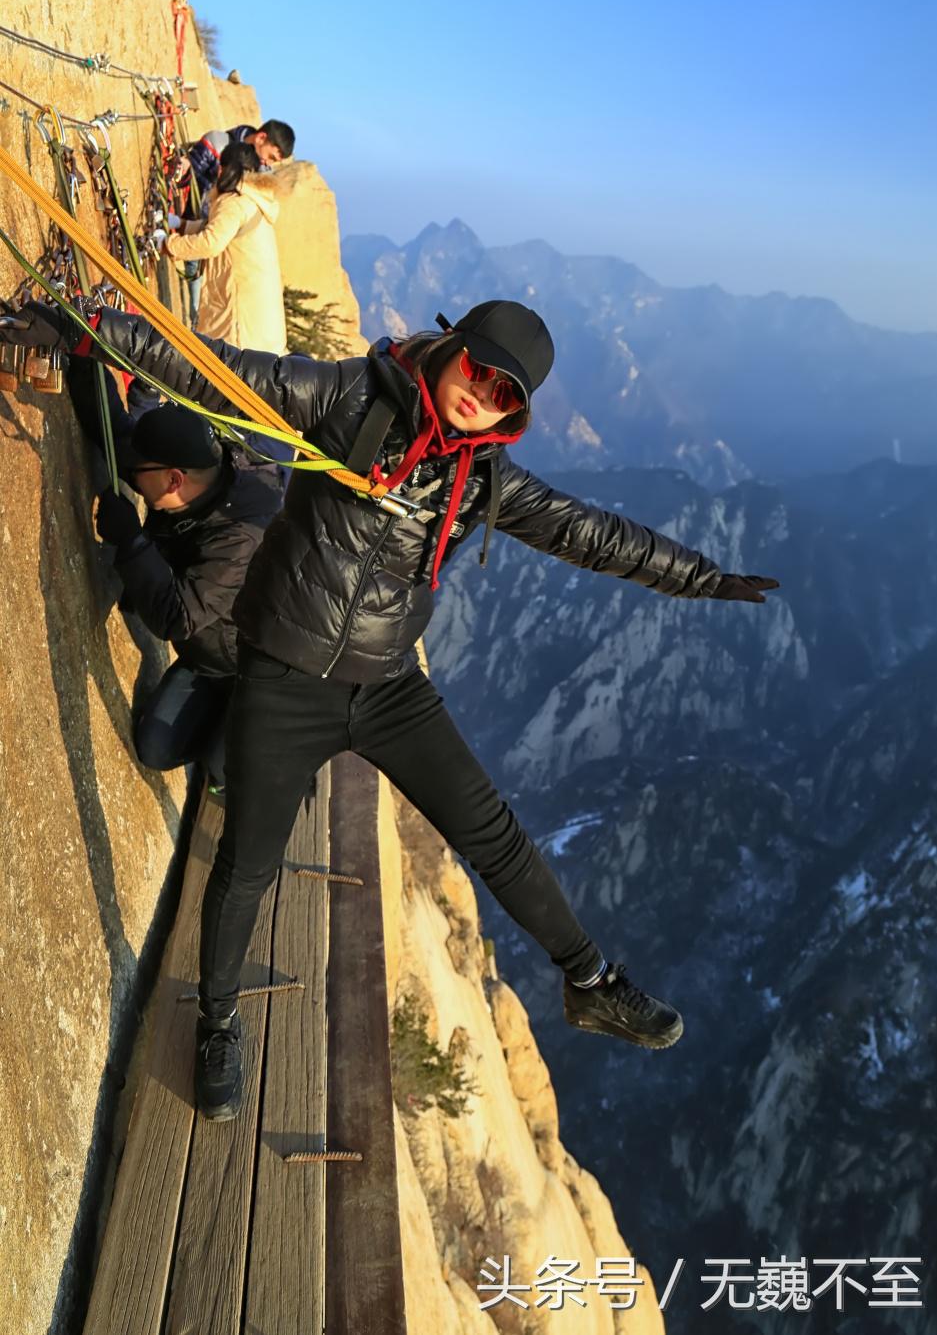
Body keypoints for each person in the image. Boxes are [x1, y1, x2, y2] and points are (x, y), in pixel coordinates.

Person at [9, 298, 780, 1123]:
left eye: (507, 396)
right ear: (451, 347)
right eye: (480, 370)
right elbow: (218, 370)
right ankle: (218, 1021)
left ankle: (591, 983)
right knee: (247, 864)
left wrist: (701, 578)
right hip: (284, 676)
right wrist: (81, 327)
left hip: (387, 686)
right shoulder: (351, 399)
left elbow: (587, 533)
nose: (484, 395)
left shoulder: (478, 476)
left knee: (494, 832)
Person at [64, 357, 284, 792]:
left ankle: (242, 755)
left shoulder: (241, 537)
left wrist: (132, 541)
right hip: (209, 658)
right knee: (154, 747)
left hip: (249, 675)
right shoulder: (198, 466)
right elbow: (120, 438)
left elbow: (175, 618)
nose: (132, 475)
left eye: (143, 475)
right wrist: (78, 357)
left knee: (220, 772)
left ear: (173, 481)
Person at [159, 142, 287, 355]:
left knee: (212, 377)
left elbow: (211, 242)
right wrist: (181, 225)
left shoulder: (235, 202)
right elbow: (223, 230)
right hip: (262, 329)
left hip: (242, 329)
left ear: (223, 169)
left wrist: (166, 244)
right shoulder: (255, 199)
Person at [174, 117, 295, 221]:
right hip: (188, 223)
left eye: (274, 161)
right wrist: (184, 167)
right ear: (261, 138)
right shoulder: (217, 142)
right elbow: (186, 178)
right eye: (271, 157)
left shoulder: (262, 177)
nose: (269, 164)